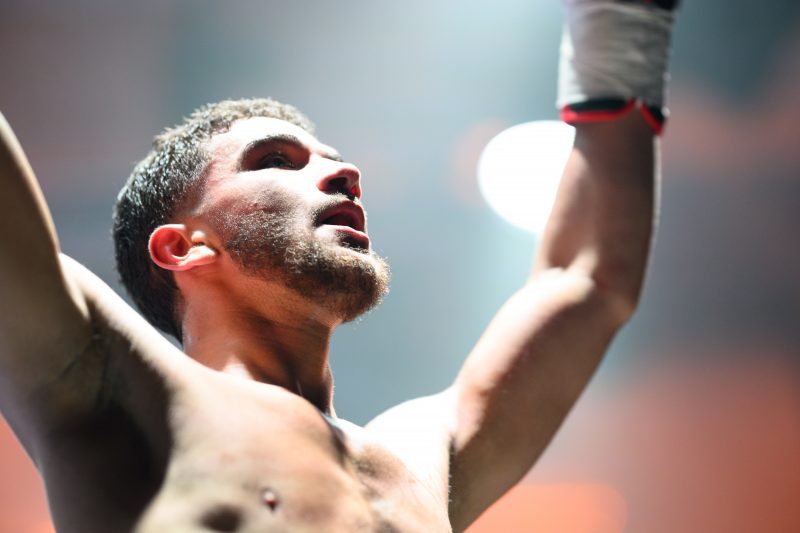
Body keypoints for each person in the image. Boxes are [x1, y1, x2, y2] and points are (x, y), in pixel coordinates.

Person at [0, 1, 678, 531]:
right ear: (185, 246)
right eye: (276, 160)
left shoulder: (419, 456)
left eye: (333, 158)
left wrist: (619, 24)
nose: (346, 172)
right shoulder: (112, 385)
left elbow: (588, 283)